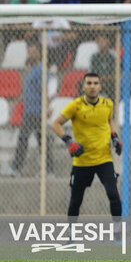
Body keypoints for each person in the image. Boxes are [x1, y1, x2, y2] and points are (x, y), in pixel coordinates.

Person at [51, 73, 123, 217]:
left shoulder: (108, 104)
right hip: (82, 161)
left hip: (104, 159)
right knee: (76, 200)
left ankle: (117, 234)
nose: (92, 86)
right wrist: (69, 142)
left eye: (96, 83)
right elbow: (55, 124)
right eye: (89, 83)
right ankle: (72, 236)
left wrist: (114, 137)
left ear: (100, 86)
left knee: (114, 195)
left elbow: (109, 122)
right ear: (83, 86)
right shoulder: (75, 106)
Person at [2, 42, 54, 177]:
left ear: (39, 53)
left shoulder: (41, 69)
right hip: (29, 110)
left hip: (36, 111)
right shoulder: (33, 70)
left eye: (33, 51)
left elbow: (44, 89)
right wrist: (19, 99)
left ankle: (16, 168)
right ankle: (48, 170)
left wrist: (47, 108)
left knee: (24, 139)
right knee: (42, 141)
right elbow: (29, 90)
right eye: (29, 51)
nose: (30, 53)